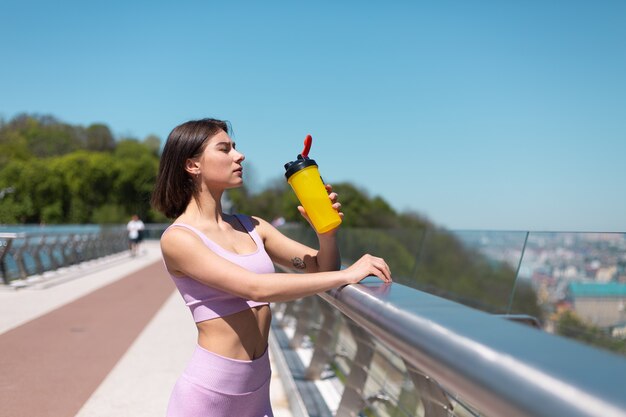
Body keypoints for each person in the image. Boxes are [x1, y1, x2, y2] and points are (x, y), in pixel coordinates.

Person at [151, 118, 392, 417]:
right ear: (192, 165)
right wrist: (348, 275)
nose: (239, 156)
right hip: (210, 395)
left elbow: (321, 268)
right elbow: (255, 287)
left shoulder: (252, 226)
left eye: (235, 148)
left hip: (257, 389)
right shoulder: (179, 239)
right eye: (225, 149)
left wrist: (325, 232)